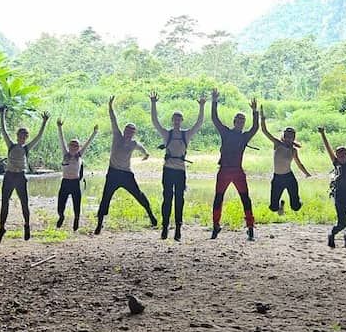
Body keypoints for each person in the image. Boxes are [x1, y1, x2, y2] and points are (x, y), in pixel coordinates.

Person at [95, 96, 158, 234]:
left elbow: (142, 148)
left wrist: (146, 154)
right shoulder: (117, 135)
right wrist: (110, 106)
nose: (129, 132)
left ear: (134, 133)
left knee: (139, 195)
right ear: (124, 130)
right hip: (113, 173)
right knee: (106, 198)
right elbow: (113, 120)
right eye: (128, 130)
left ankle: (151, 215)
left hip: (126, 174)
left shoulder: (134, 143)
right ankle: (99, 224)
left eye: (132, 131)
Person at [150, 91, 206, 241]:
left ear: (181, 121)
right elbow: (155, 122)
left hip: (180, 171)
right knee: (167, 198)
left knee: (179, 199)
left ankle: (178, 229)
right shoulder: (166, 134)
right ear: (172, 120)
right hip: (168, 170)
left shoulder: (185, 134)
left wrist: (202, 106)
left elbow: (199, 123)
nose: (176, 121)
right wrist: (153, 104)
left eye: (179, 119)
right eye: (174, 119)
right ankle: (165, 227)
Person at [209, 89, 260, 241]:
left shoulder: (244, 137)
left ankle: (250, 228)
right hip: (224, 171)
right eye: (238, 120)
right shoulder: (225, 132)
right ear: (234, 122)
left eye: (242, 121)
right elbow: (215, 119)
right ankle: (215, 226)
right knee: (218, 198)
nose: (240, 122)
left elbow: (255, 128)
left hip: (238, 171)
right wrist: (214, 101)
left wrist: (254, 112)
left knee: (246, 199)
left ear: (243, 123)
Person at [0, 106, 50, 244]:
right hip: (9, 176)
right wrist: (3, 114)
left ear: (26, 138)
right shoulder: (11, 145)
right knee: (4, 203)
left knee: (24, 203)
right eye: (20, 135)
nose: (22, 138)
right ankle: (2, 228)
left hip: (20, 177)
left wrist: (44, 122)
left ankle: (26, 225)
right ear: (17, 136)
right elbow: (4, 130)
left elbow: (39, 137)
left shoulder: (26, 147)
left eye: (25, 136)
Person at [260, 105, 310, 215]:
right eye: (287, 136)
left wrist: (307, 173)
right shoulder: (277, 144)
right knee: (273, 208)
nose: (289, 138)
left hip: (289, 178)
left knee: (295, 207)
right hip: (277, 178)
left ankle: (298, 201)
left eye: (291, 137)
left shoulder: (293, 151)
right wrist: (262, 117)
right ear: (284, 136)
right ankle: (280, 206)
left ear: (293, 138)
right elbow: (264, 131)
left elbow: (299, 164)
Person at [319, 124, 346, 249]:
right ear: (337, 156)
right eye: (339, 155)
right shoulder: (336, 163)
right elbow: (328, 148)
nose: (342, 157)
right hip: (339, 195)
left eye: (344, 155)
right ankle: (332, 234)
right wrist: (322, 134)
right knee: (342, 222)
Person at [56, 119, 98, 231]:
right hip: (65, 182)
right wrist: (59, 127)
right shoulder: (65, 154)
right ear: (69, 146)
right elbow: (61, 140)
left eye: (76, 145)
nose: (74, 147)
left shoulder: (79, 155)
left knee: (77, 204)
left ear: (78, 147)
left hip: (75, 183)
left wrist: (94, 133)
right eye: (72, 145)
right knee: (60, 205)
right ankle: (61, 216)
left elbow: (88, 144)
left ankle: (76, 219)